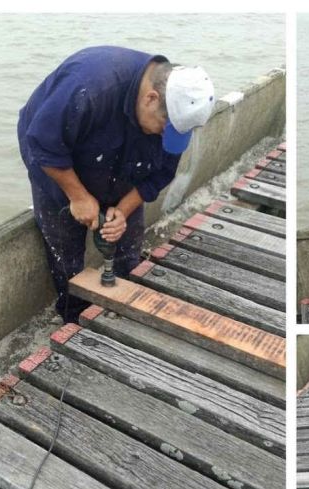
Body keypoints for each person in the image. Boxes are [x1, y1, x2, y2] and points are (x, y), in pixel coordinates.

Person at [18, 46, 215, 322]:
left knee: (128, 246)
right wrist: (78, 196)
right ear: (150, 98)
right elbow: (42, 143)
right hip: (59, 163)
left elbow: (160, 174)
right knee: (67, 256)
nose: (163, 135)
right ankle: (73, 316)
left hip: (124, 164)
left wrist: (123, 210)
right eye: (162, 128)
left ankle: (126, 305)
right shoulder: (90, 87)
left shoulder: (176, 111)